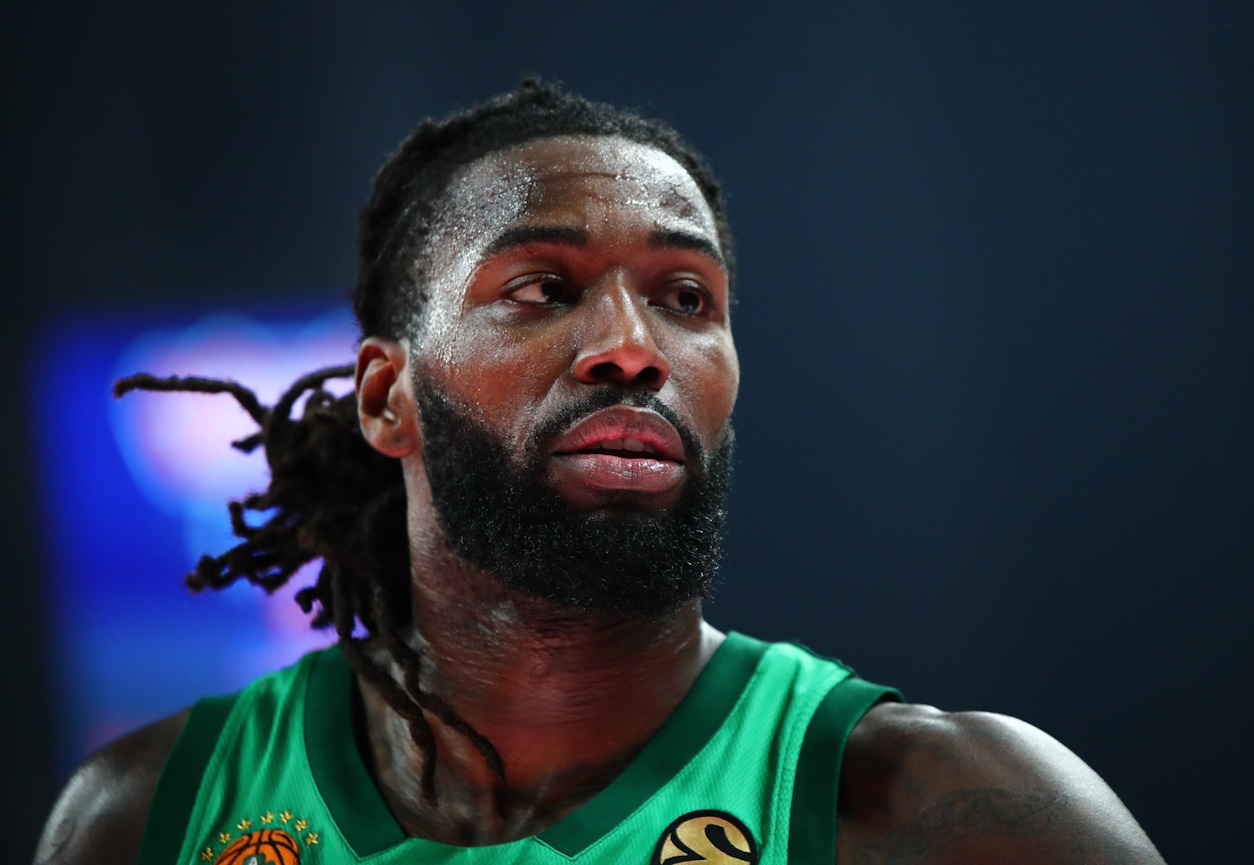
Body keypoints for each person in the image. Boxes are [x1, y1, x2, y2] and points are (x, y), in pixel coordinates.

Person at [34, 81, 1167, 865]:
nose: (633, 347)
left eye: (687, 298)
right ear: (386, 397)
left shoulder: (943, 811)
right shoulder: (151, 816)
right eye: (543, 288)